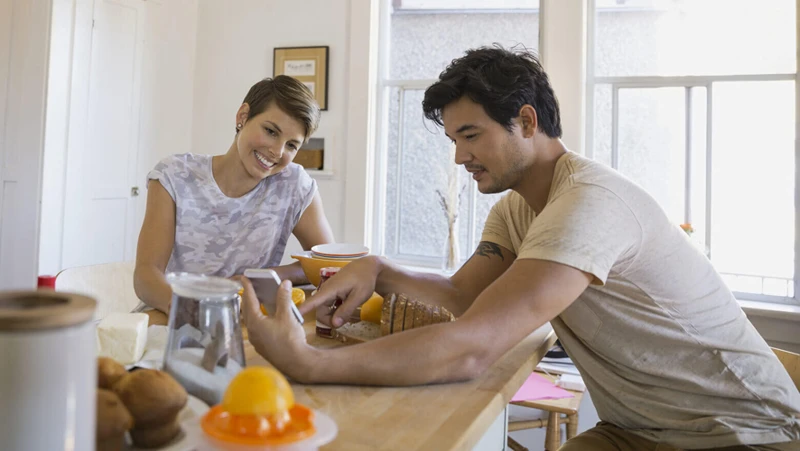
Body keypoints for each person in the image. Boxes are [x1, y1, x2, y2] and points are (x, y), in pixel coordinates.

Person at [240, 47, 800, 450]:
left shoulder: (589, 202)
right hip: (639, 431)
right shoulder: (517, 206)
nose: (460, 158)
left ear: (526, 121)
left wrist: (305, 362)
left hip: (742, 436)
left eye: (471, 135)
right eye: (454, 140)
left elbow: (471, 348)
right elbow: (462, 296)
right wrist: (378, 268)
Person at [135, 76, 335, 313]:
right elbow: (146, 276)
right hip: (169, 317)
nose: (277, 151)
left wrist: (260, 277)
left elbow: (326, 264)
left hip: (243, 324)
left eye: (292, 145)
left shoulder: (294, 185)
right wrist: (197, 312)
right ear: (242, 116)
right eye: (271, 131)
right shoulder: (175, 175)